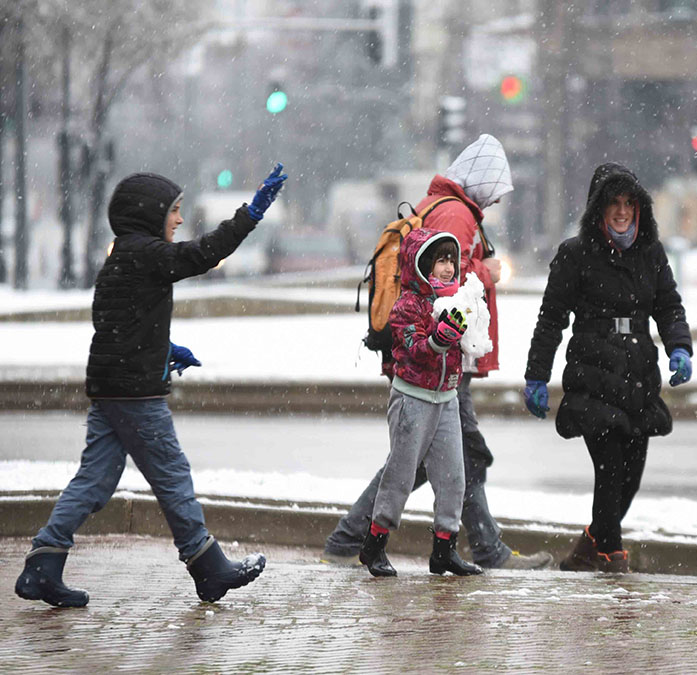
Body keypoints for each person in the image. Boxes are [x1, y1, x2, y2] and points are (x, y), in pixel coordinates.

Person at [14, 165, 288, 607]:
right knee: (172, 474)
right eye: (174, 211)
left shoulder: (124, 255)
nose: (179, 221)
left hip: (113, 386)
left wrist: (164, 348)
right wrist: (251, 213)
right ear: (149, 214)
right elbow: (202, 254)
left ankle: (43, 564)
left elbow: (116, 324)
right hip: (134, 392)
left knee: (96, 479)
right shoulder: (146, 253)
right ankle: (208, 566)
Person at [324, 134, 552, 570]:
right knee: (451, 456)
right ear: (482, 182)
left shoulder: (445, 205)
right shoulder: (456, 212)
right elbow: (448, 281)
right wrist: (486, 270)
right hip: (438, 358)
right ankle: (480, 548)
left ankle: (357, 538)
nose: (498, 201)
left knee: (439, 460)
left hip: (443, 359)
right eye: (496, 191)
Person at [523, 162, 693, 573]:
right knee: (611, 466)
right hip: (592, 373)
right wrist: (536, 375)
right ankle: (611, 555)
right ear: (598, 209)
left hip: (638, 375)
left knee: (631, 476)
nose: (621, 212)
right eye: (613, 203)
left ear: (639, 208)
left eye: (628, 203)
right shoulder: (575, 254)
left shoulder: (650, 252)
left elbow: (668, 306)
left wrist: (679, 346)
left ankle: (586, 548)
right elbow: (551, 319)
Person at [356, 228, 482, 577]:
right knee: (400, 475)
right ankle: (374, 543)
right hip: (412, 399)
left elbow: (467, 346)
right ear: (422, 263)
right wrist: (438, 341)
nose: (447, 268)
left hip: (447, 398)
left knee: (454, 477)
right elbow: (415, 348)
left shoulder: (455, 300)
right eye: (440, 260)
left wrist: (469, 333)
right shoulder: (407, 305)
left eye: (451, 261)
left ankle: (444, 548)